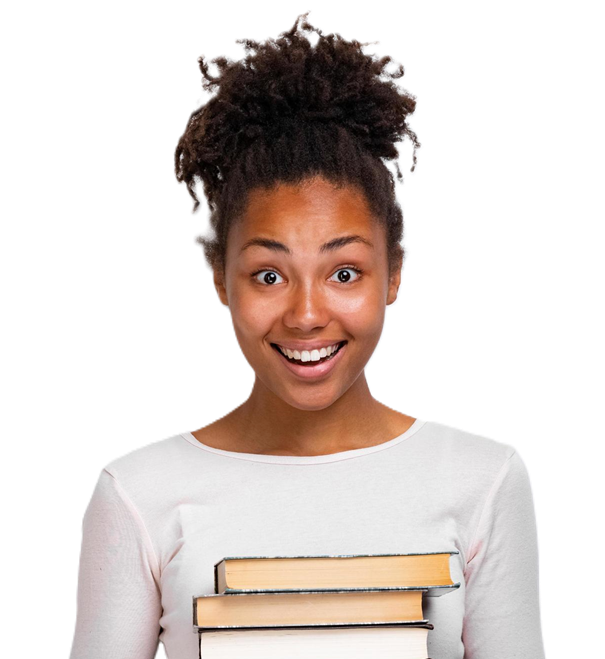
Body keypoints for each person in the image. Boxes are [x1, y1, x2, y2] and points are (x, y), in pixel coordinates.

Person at [69, 10, 546, 658]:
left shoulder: (481, 480)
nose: (304, 314)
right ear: (219, 278)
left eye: (343, 271)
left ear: (394, 274)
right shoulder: (138, 492)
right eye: (268, 274)